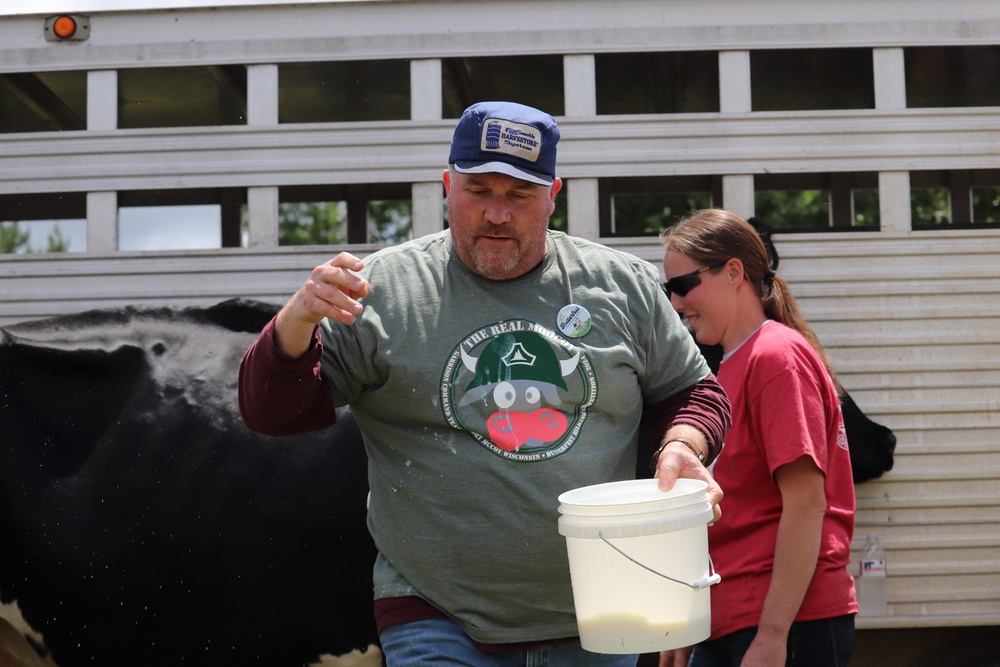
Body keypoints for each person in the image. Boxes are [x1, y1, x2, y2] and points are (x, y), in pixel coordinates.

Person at [237, 101, 731, 667]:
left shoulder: (623, 286)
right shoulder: (380, 292)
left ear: (553, 195)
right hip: (436, 614)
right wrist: (294, 320)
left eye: (519, 195)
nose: (497, 214)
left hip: (602, 612)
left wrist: (682, 444)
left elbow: (694, 392)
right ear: (447, 187)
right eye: (478, 190)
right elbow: (270, 412)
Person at [658, 209, 857, 667]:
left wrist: (772, 637)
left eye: (683, 286)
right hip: (733, 616)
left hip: (781, 621)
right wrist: (689, 620)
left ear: (733, 272)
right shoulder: (732, 366)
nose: (674, 303)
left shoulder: (775, 356)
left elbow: (807, 503)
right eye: (666, 289)